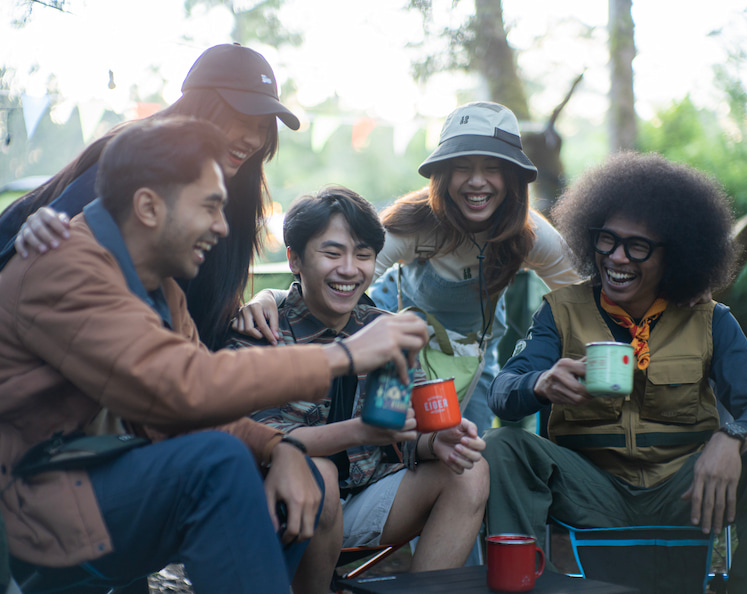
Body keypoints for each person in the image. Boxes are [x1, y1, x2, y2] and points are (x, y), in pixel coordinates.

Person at [0, 118, 428, 594]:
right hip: (26, 500)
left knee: (287, 475)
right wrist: (342, 356)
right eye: (210, 207)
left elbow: (199, 410)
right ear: (148, 207)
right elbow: (186, 384)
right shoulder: (66, 264)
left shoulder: (159, 287)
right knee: (218, 462)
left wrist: (278, 448)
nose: (223, 228)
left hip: (89, 480)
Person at [483, 151, 747, 593]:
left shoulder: (711, 320)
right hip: (591, 490)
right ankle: (523, 584)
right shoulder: (560, 311)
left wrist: (733, 438)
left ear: (676, 255)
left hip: (686, 492)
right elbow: (501, 393)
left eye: (638, 246)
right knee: (501, 446)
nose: (616, 257)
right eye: (606, 239)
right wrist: (538, 382)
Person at [234, 101, 582, 438]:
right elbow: (341, 276)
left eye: (492, 168)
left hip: (474, 353)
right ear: (443, 175)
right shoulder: (413, 223)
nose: (477, 181)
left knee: (472, 448)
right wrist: (272, 296)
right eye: (463, 167)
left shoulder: (529, 235)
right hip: (402, 343)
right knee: (405, 443)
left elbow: (580, 295)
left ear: (513, 179)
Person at [229, 186, 489, 588]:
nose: (349, 269)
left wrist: (434, 443)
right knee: (320, 473)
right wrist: (358, 431)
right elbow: (262, 441)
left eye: (363, 255)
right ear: (295, 259)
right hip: (281, 506)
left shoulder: (385, 329)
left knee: (470, 470)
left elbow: (403, 433)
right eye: (332, 253)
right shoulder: (262, 330)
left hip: (369, 499)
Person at [0, 42, 299, 350]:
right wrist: (40, 226)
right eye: (242, 119)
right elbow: (46, 243)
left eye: (262, 127)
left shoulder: (233, 182)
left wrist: (262, 300)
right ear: (203, 108)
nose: (253, 139)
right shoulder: (135, 161)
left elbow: (204, 298)